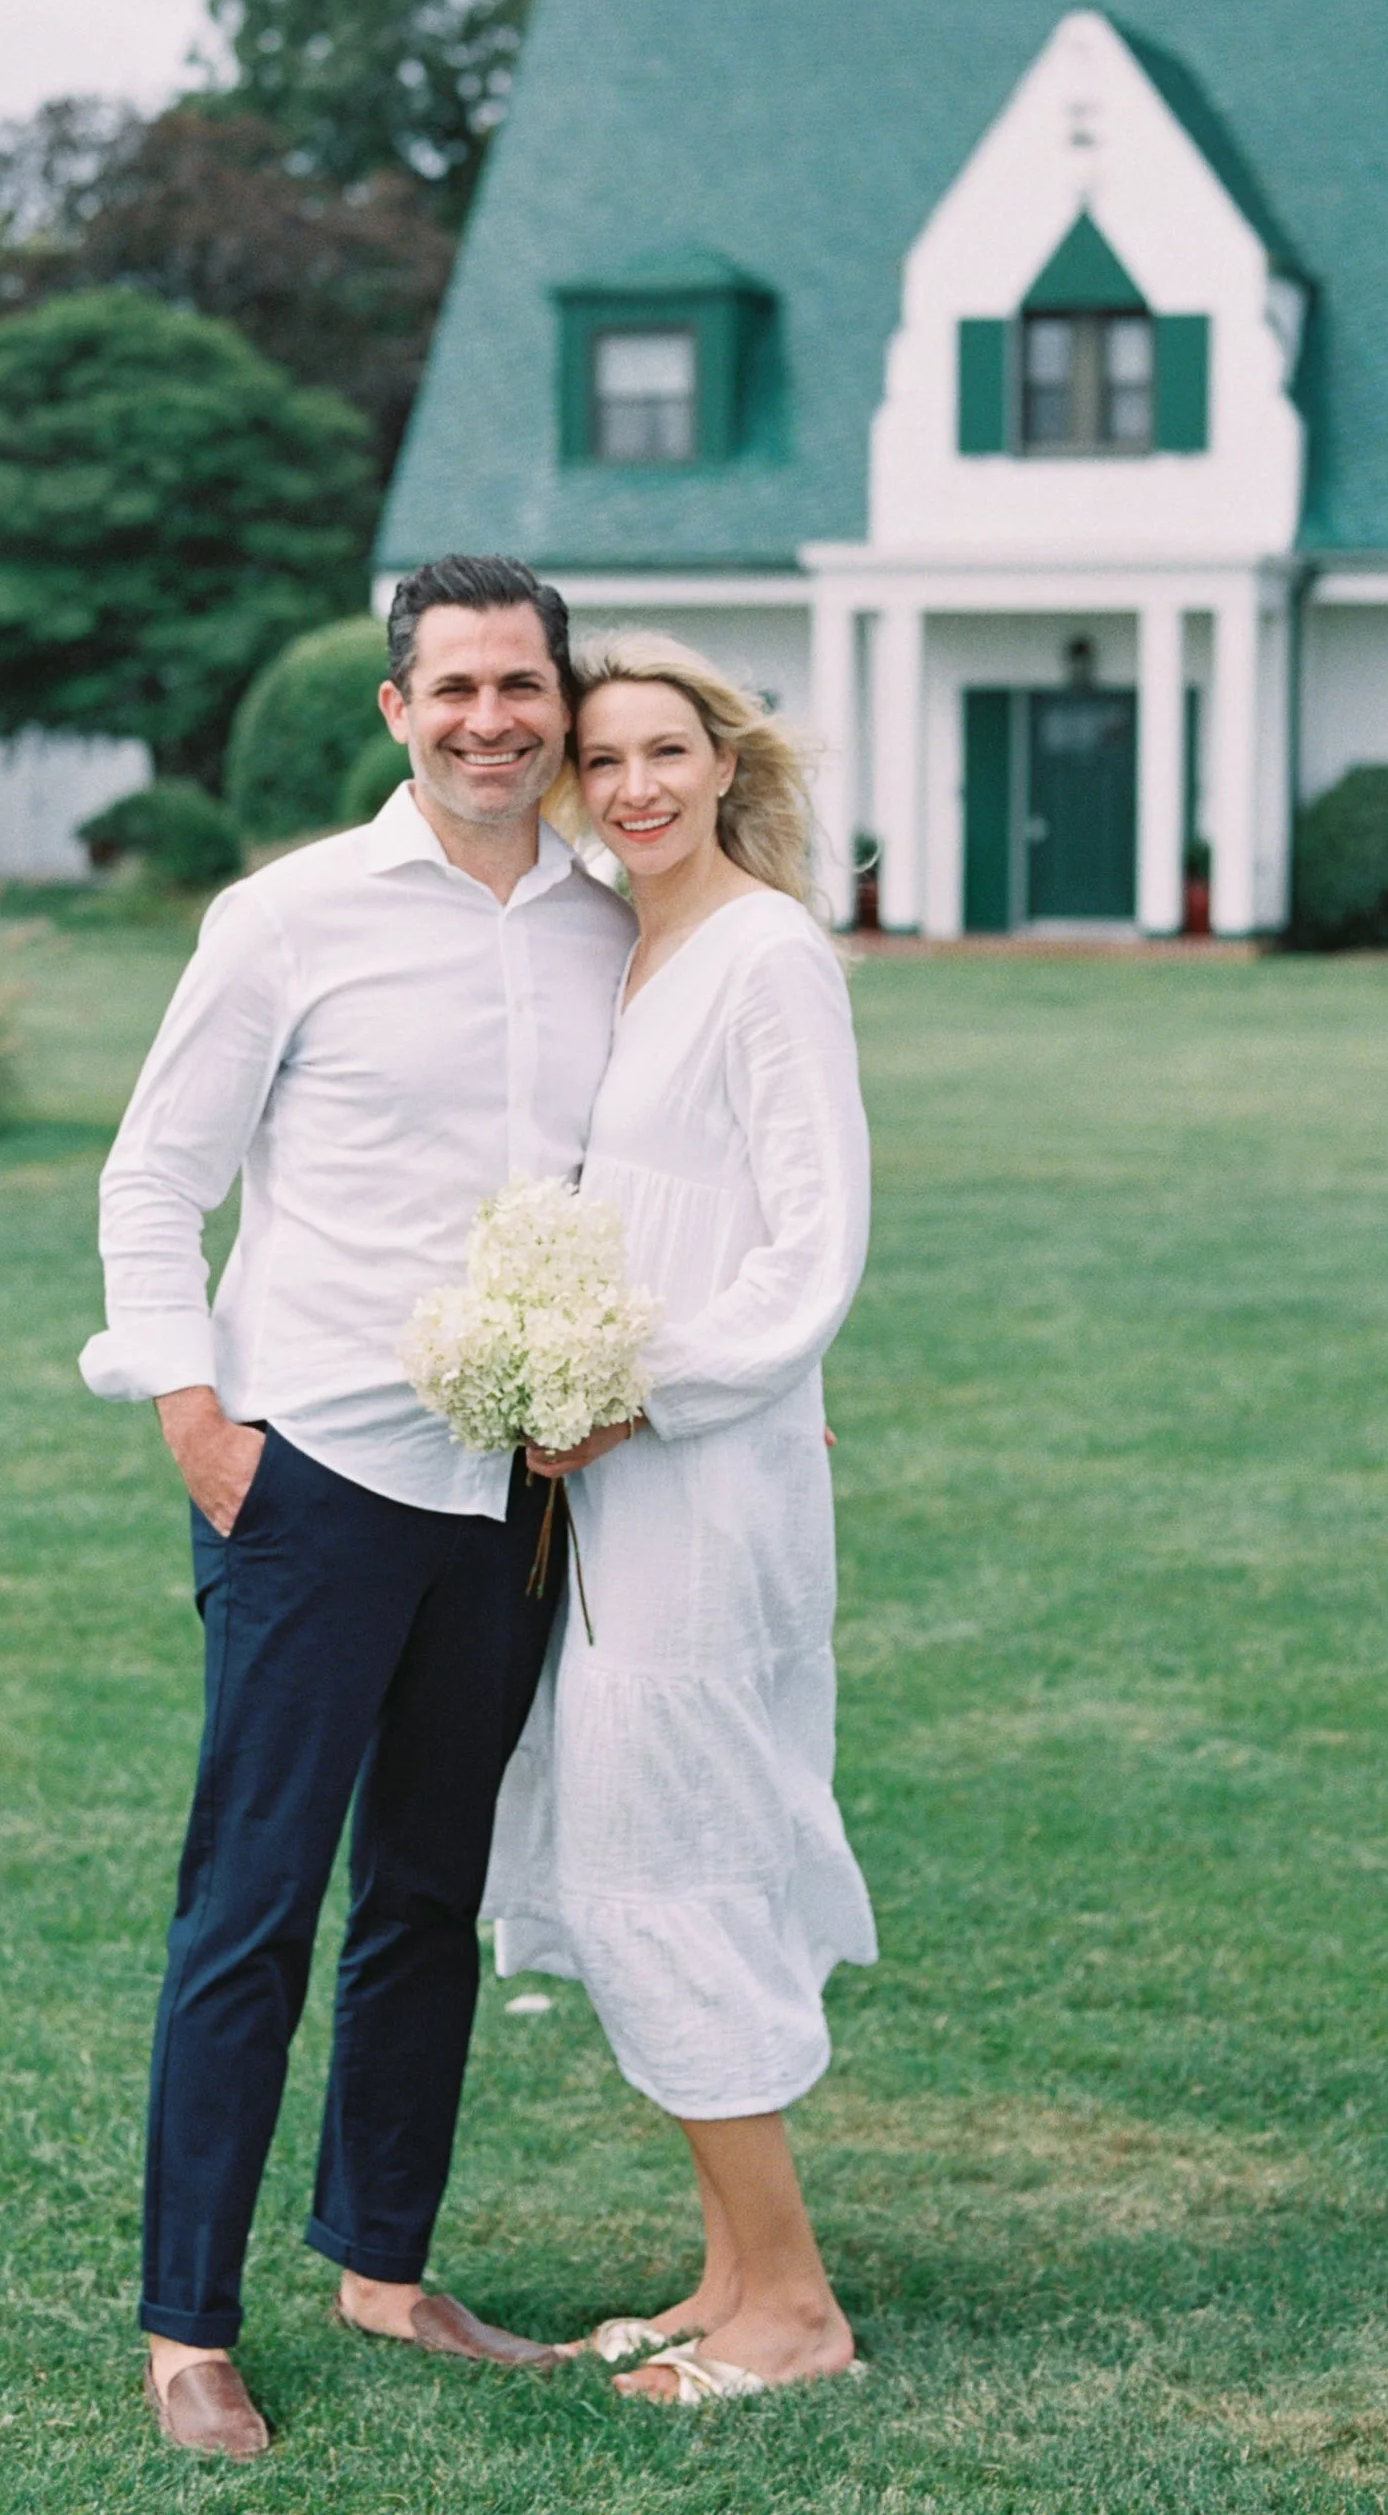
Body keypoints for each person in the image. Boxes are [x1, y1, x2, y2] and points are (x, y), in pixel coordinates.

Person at [80, 555, 636, 2458]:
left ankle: (386, 2269)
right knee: (251, 1898)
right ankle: (187, 2325)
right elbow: (155, 1178)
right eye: (457, 687)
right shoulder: (287, 919)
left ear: (564, 705)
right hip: (307, 1475)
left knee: (427, 1893)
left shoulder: (608, 924)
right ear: (397, 710)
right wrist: (198, 1418)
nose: (496, 719)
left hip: (511, 1494)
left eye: (525, 688)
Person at [486, 629, 877, 2406]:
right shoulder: (633, 954)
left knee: (671, 1859)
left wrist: (644, 1388)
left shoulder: (767, 958)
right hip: (619, 1485)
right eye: (603, 759)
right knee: (641, 1842)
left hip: (708, 1482)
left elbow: (814, 1252)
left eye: (665, 751)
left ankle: (793, 2313)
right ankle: (729, 2279)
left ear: (727, 763)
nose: (633, 785)